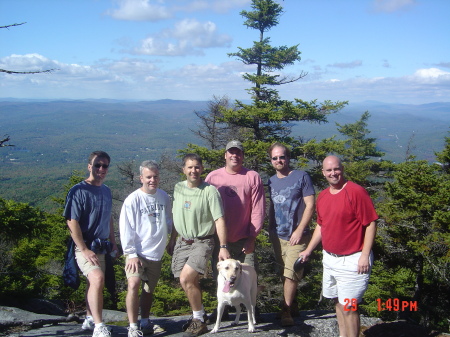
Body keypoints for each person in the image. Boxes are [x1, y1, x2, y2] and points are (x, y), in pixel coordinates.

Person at [300, 155, 378, 337]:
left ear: (342, 169)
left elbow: (371, 223)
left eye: (336, 169)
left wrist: (365, 255)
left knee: (349, 307)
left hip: (353, 260)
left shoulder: (356, 192)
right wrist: (309, 250)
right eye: (329, 170)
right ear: (323, 173)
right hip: (330, 259)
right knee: (338, 302)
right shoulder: (323, 196)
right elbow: (321, 225)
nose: (333, 173)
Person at [171, 154, 230, 337]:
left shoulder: (209, 191)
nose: (193, 171)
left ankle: (198, 320)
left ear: (202, 169)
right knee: (189, 280)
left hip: (202, 241)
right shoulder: (178, 188)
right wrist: (172, 239)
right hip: (182, 240)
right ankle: (201, 314)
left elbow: (219, 219)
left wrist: (223, 246)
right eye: (189, 167)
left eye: (197, 167)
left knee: (186, 278)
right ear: (184, 170)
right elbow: (176, 216)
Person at [205, 140, 265, 321]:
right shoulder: (213, 177)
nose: (234, 156)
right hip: (219, 239)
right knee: (221, 276)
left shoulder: (252, 176)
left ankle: (252, 310)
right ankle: (222, 311)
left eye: (238, 152)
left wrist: (252, 238)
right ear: (225, 155)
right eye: (231, 152)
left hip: (244, 238)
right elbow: (205, 207)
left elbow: (258, 209)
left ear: (242, 156)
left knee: (249, 276)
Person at [63, 151, 118, 337]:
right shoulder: (78, 191)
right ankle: (99, 325)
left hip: (101, 246)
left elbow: (108, 217)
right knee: (97, 279)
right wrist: (84, 249)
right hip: (84, 245)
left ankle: (89, 317)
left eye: (105, 166)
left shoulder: (106, 190)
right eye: (97, 165)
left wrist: (113, 241)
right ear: (89, 166)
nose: (101, 169)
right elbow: (72, 221)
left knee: (94, 282)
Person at [119, 160, 175, 337]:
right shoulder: (133, 200)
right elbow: (125, 227)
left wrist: (172, 241)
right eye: (149, 177)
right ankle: (133, 326)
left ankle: (144, 320)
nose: (153, 180)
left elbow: (169, 221)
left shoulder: (164, 197)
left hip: (155, 253)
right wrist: (131, 253)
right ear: (140, 178)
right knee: (134, 284)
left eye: (155, 176)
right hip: (136, 253)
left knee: (149, 290)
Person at [267, 143, 315, 327]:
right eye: (275, 158)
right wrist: (270, 229)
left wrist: (300, 229)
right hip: (277, 234)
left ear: (288, 158)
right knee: (283, 273)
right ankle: (293, 304)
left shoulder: (301, 176)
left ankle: (285, 310)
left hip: (298, 236)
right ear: (271, 161)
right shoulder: (271, 181)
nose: (279, 160)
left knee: (291, 273)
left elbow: (310, 205)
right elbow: (273, 206)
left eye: (282, 157)